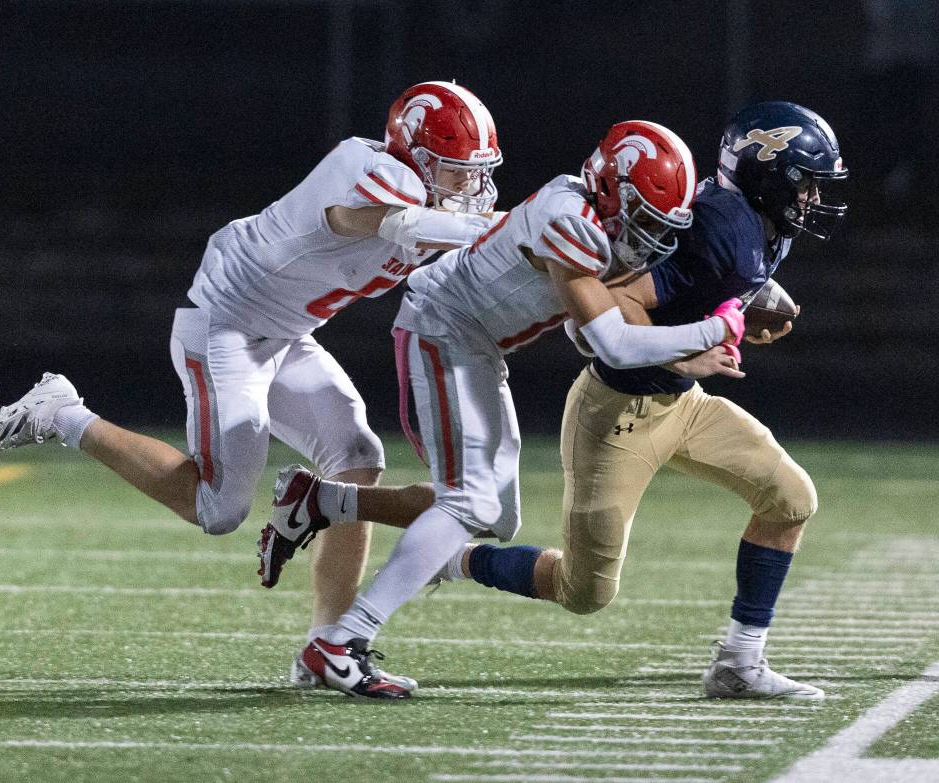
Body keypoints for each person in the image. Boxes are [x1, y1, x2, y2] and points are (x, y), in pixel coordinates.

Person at [0, 80, 506, 692]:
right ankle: (60, 412)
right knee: (218, 508)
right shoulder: (370, 169)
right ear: (414, 154)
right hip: (227, 324)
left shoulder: (431, 208)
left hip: (286, 332)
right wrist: (503, 227)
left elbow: (452, 251)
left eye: (474, 171)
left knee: (358, 456)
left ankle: (328, 648)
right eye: (455, 171)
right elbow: (372, 220)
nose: (469, 186)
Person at [261, 120, 748, 699]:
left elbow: (587, 332)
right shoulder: (575, 224)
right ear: (613, 190)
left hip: (474, 342)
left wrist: (689, 346)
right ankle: (341, 643)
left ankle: (321, 500)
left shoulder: (585, 211)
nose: (651, 239)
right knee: (469, 501)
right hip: (443, 328)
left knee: (498, 518)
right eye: (644, 218)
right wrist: (716, 326)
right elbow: (614, 342)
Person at [433, 101, 849, 701]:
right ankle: (458, 560)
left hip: (681, 405)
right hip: (616, 415)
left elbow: (704, 290)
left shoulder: (757, 225)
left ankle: (738, 662)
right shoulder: (725, 227)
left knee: (790, 499)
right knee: (584, 592)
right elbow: (617, 299)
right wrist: (687, 350)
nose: (812, 199)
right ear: (768, 177)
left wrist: (733, 314)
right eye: (805, 184)